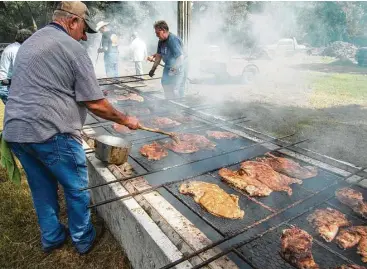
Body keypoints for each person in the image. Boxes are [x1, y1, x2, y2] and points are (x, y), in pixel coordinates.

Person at [2, 1, 140, 255]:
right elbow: (95, 104)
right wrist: (125, 119)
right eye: (84, 28)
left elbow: (47, 84)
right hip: (51, 132)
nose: (85, 35)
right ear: (72, 21)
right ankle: (83, 239)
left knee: (41, 188)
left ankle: (52, 238)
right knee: (77, 188)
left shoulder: (31, 42)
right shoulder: (72, 48)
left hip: (16, 131)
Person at [148, 20, 187, 99]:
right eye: (155, 33)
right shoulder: (161, 41)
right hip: (168, 65)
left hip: (179, 66)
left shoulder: (172, 40)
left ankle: (178, 105)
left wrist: (173, 70)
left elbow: (180, 58)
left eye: (158, 33)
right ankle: (169, 103)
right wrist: (153, 69)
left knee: (175, 89)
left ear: (164, 31)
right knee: (165, 84)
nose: (156, 35)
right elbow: (158, 56)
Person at [0, 29, 33, 104]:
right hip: (7, 85)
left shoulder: (11, 47)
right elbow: (19, 69)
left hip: (5, 84)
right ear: (26, 39)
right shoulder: (17, 49)